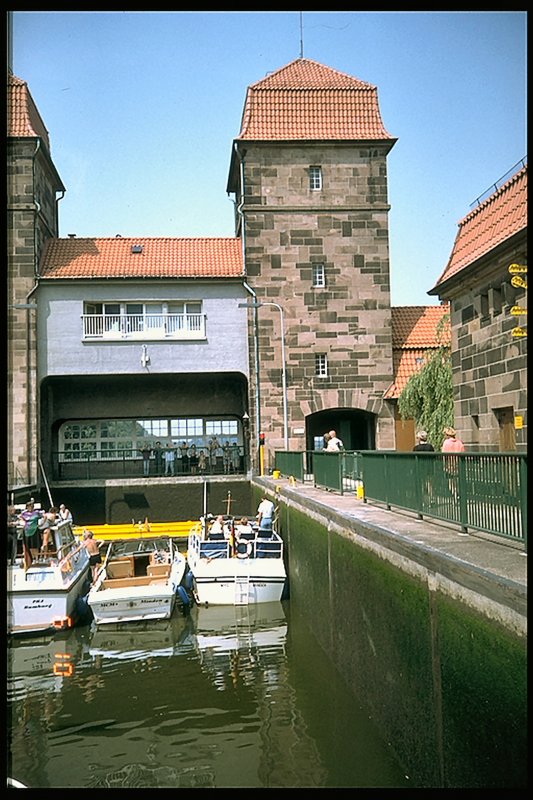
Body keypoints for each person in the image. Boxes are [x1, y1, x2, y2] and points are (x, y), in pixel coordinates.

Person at [442, 426, 465, 499]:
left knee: (451, 481)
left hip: (449, 464)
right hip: (458, 464)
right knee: (457, 480)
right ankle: (457, 493)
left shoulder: (446, 443)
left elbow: (444, 455)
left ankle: (454, 494)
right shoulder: (459, 442)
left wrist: (444, 465)